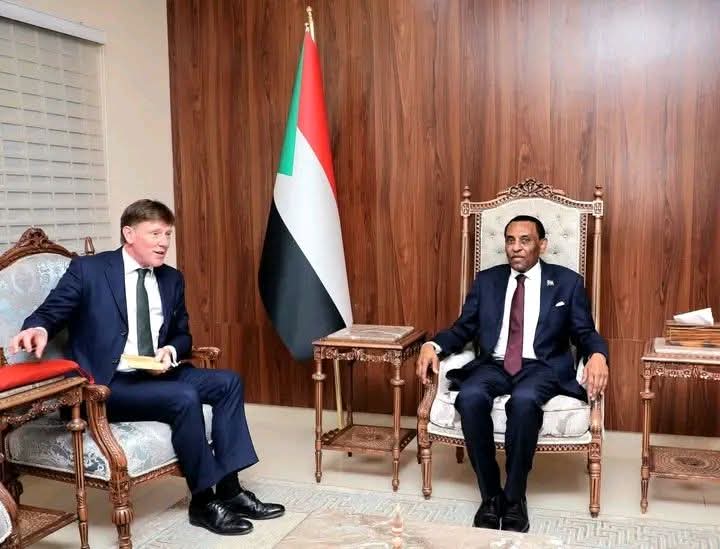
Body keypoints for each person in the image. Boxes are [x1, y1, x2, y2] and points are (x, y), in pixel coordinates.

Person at [8, 199, 284, 536]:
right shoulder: (89, 270)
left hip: (155, 372)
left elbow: (183, 334)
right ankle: (203, 502)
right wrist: (37, 328)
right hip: (107, 384)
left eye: (168, 234)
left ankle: (230, 490)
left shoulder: (171, 279)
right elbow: (50, 311)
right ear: (129, 234)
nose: (164, 242)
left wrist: (171, 349)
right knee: (183, 396)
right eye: (155, 233)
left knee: (229, 382)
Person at [416, 215, 608, 533]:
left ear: (542, 245)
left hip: (542, 366)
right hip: (494, 363)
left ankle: (515, 496)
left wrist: (598, 354)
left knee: (524, 401)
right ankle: (491, 495)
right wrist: (432, 345)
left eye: (525, 240)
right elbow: (462, 329)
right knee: (470, 396)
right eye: (510, 240)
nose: (516, 247)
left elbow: (585, 332)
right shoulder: (487, 281)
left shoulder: (567, 282)